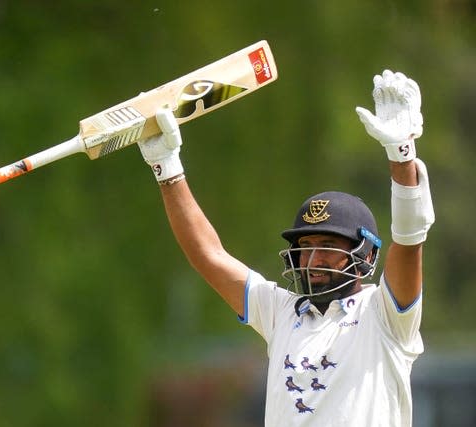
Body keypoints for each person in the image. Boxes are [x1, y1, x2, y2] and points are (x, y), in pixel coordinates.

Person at [137, 69, 435, 427]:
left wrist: (401, 156)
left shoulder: (386, 316)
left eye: (328, 245)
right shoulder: (283, 313)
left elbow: (410, 239)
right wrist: (166, 166)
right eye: (306, 246)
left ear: (367, 255)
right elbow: (209, 256)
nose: (313, 259)